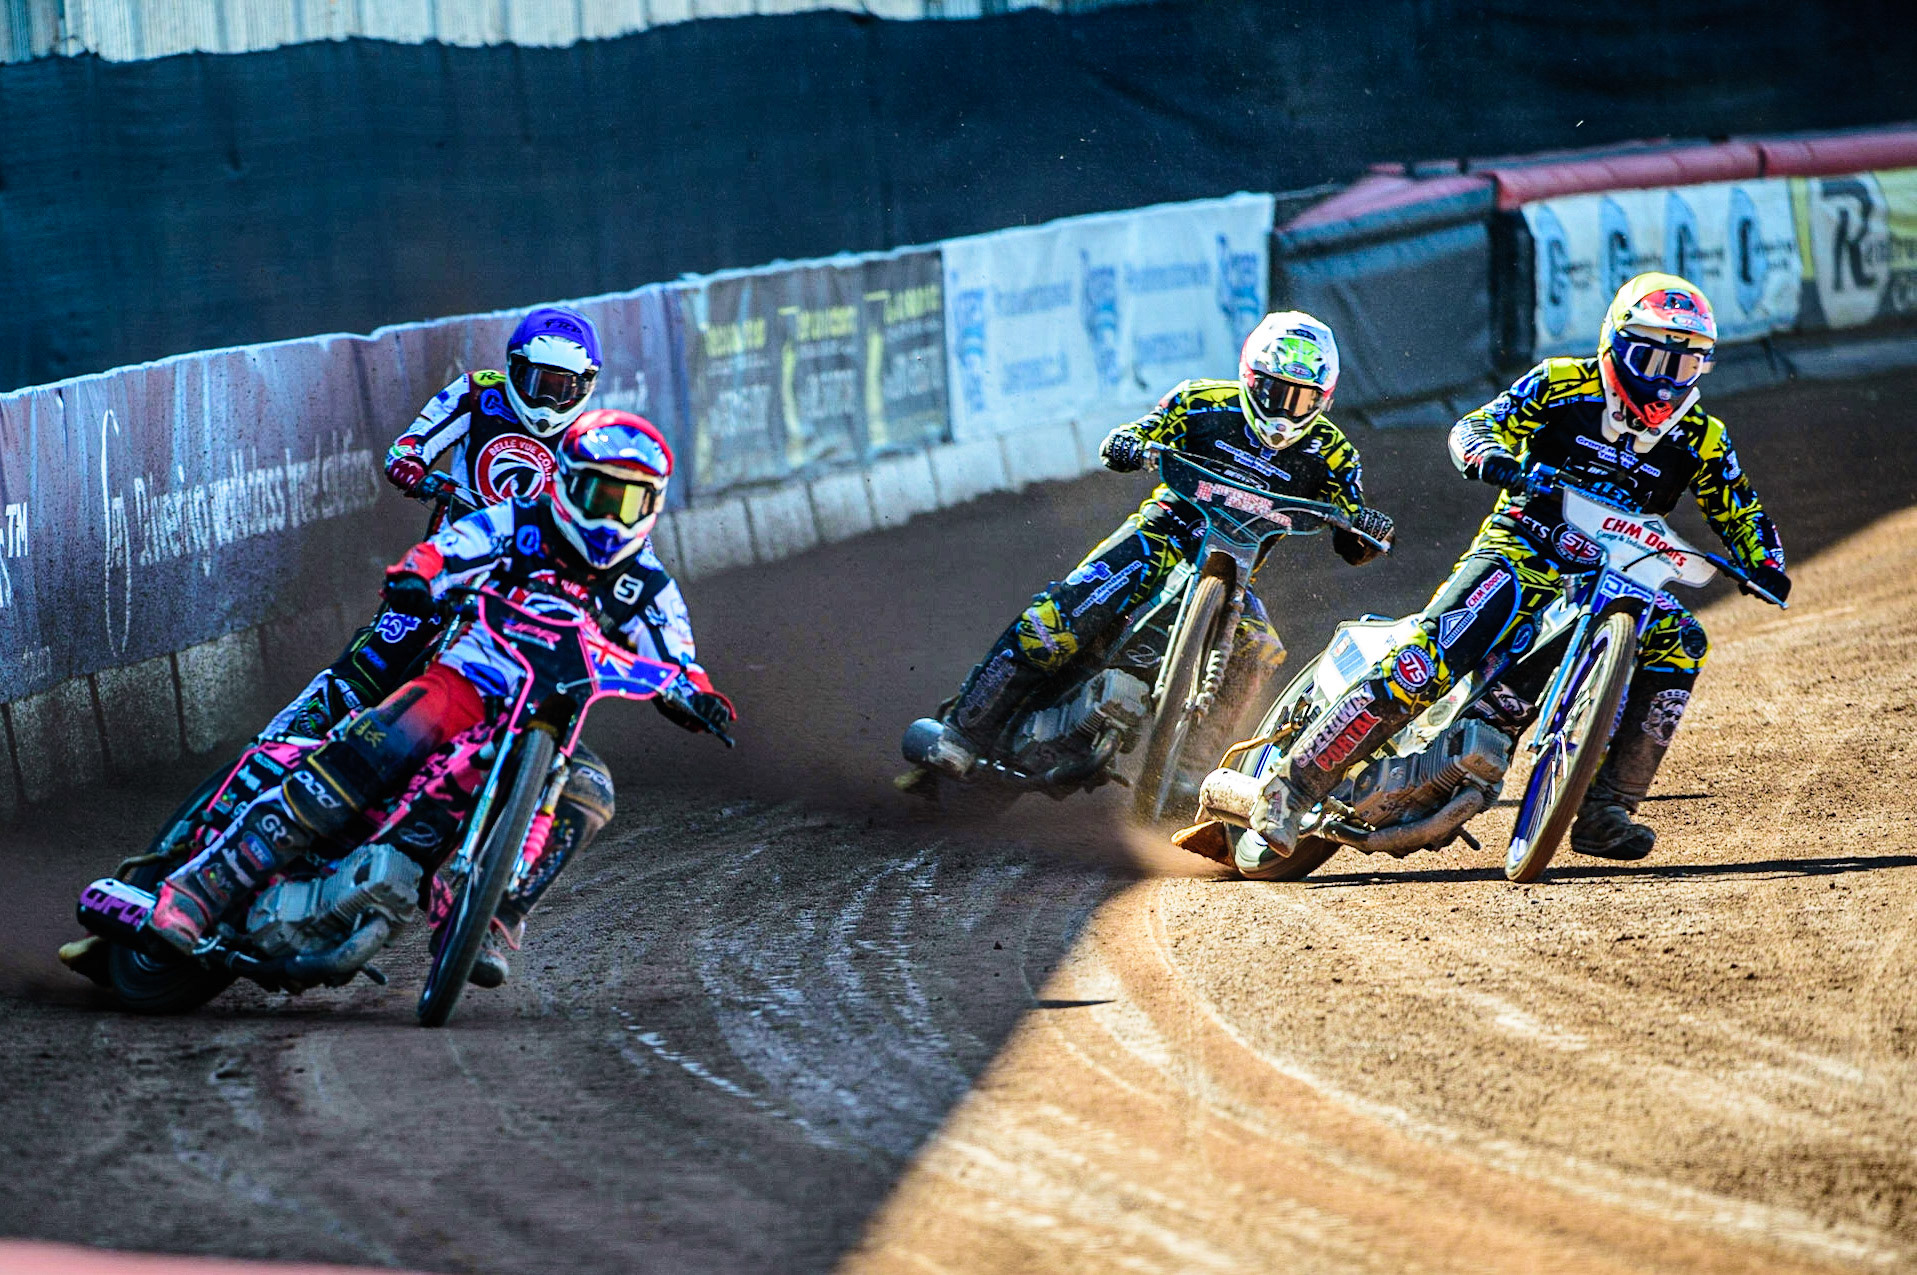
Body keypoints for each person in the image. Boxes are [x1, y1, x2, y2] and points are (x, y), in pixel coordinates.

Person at [144, 411, 735, 986]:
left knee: (592, 790)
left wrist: (698, 697)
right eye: (599, 495)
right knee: (371, 749)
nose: (610, 517)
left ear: (651, 506)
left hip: (550, 717)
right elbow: (449, 550)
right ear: (567, 483)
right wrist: (416, 577)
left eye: (627, 502)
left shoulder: (648, 584)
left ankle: (496, 916)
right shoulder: (519, 520)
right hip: (463, 685)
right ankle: (200, 890)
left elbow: (679, 660)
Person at [1240, 273, 1789, 872]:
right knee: (1426, 660)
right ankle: (1290, 789)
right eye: (1650, 356)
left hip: (1616, 573)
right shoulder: (1560, 383)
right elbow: (1476, 425)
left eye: (1682, 365)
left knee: (1684, 639)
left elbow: (1740, 506)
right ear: (1616, 344)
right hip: (1523, 547)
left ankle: (1606, 808)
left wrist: (1765, 561)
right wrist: (1488, 454)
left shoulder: (1702, 435)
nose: (1663, 377)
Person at [903, 311, 1395, 785]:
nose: (1286, 409)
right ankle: (963, 730)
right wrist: (1128, 442)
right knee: (1066, 610)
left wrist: (1366, 530)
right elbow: (1143, 432)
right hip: (1162, 535)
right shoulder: (1201, 401)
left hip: (1234, 572)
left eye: (1302, 398)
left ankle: (1191, 772)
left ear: (1323, 399)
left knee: (1260, 648)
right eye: (1275, 391)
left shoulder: (1333, 453)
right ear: (1250, 377)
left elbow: (1351, 528)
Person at [267, 304, 605, 742]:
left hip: (528, 589)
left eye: (562, 389)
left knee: (542, 686)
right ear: (513, 369)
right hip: (446, 567)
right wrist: (418, 474)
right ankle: (271, 748)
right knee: (371, 664)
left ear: (587, 387)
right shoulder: (478, 393)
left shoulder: (593, 440)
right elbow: (406, 449)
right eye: (538, 384)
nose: (547, 402)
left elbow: (615, 527)